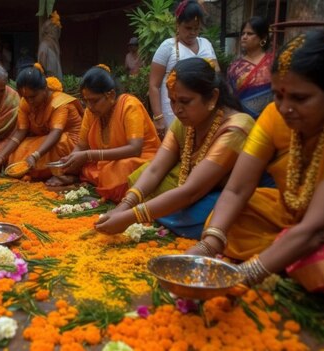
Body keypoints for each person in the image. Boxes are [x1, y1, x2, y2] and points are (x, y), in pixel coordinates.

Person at [188, 29, 324, 301]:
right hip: (289, 212)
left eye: (299, 98)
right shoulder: (273, 115)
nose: (285, 108)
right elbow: (236, 190)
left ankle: (287, 253)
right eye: (278, 95)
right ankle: (286, 252)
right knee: (224, 222)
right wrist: (208, 246)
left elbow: (320, 228)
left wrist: (243, 275)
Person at [95, 58, 254, 239]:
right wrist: (123, 207)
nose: (177, 110)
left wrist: (131, 217)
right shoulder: (185, 122)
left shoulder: (235, 128)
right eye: (172, 101)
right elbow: (156, 169)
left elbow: (192, 191)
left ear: (213, 97)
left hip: (218, 195)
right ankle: (163, 212)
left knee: (207, 212)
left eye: (185, 101)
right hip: (188, 185)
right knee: (143, 176)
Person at [58, 64, 161, 202]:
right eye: (86, 101)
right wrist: (70, 162)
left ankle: (109, 188)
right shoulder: (91, 112)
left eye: (94, 101)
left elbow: (135, 149)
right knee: (91, 168)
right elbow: (81, 146)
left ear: (111, 95)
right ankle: (103, 184)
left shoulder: (130, 105)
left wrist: (89, 155)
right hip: (107, 163)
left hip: (141, 159)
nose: (89, 106)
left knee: (121, 169)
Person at [0, 63, 83, 183]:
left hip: (70, 143)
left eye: (33, 96)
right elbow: (21, 131)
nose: (29, 101)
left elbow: (56, 133)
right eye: (25, 97)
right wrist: (2, 156)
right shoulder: (25, 102)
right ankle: (40, 172)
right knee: (19, 151)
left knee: (61, 142)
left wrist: (35, 156)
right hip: (45, 139)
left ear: (45, 89)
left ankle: (66, 174)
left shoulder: (60, 103)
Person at [148, 0, 218, 139]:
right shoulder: (167, 47)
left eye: (196, 28)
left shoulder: (206, 44)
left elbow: (217, 75)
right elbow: (154, 85)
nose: (192, 32)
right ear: (177, 24)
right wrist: (159, 117)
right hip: (173, 111)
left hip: (202, 110)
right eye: (188, 28)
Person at [227, 16, 273, 119]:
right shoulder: (235, 66)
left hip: (269, 120)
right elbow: (230, 97)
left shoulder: (273, 63)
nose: (244, 37)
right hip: (243, 120)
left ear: (263, 37)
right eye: (243, 33)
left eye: (250, 33)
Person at [37, 11, 63, 79]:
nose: (57, 32)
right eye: (55, 29)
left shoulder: (55, 44)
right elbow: (42, 64)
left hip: (56, 80)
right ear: (49, 31)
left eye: (57, 30)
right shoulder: (44, 45)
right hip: (49, 80)